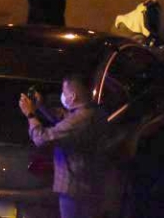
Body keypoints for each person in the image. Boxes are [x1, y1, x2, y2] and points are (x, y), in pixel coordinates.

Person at [19, 75, 111, 218]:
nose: (62, 95)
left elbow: (42, 138)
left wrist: (30, 114)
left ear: (73, 96)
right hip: (89, 185)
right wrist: (41, 107)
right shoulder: (96, 112)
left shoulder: (79, 121)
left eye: (64, 91)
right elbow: (67, 121)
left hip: (75, 189)